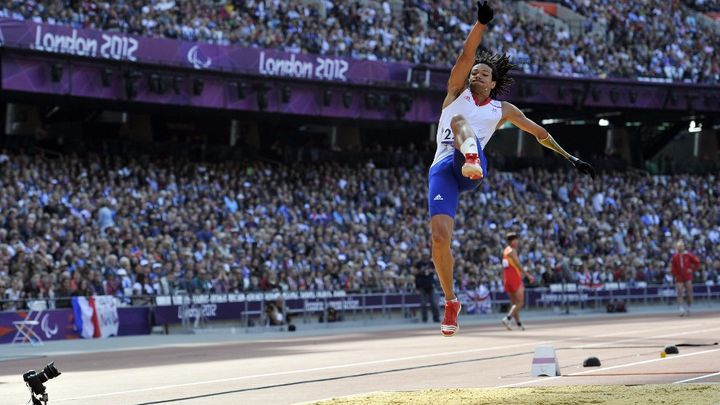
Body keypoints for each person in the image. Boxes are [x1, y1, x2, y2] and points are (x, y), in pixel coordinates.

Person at [429, 1, 595, 337]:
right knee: (439, 238)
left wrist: (570, 158)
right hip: (445, 168)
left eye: (483, 73)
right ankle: (450, 301)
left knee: (464, 126)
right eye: (475, 71)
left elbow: (540, 134)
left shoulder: (501, 109)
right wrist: (480, 24)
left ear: (492, 84)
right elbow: (464, 55)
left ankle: (473, 157)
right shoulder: (454, 94)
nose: (476, 73)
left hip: (472, 165)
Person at [500, 232, 534, 330]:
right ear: (513, 241)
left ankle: (518, 324)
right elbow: (518, 265)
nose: (518, 242)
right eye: (516, 240)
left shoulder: (505, 251)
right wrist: (528, 275)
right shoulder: (512, 251)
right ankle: (508, 318)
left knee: (515, 304)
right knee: (520, 303)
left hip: (507, 279)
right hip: (515, 278)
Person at [670, 240, 700, 316]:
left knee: (689, 293)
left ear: (684, 247)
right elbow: (672, 267)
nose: (681, 247)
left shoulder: (688, 255)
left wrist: (692, 269)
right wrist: (675, 274)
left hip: (687, 276)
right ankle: (681, 309)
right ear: (677, 247)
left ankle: (688, 308)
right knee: (679, 292)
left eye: (682, 245)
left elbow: (697, 262)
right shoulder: (675, 256)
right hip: (679, 277)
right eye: (679, 246)